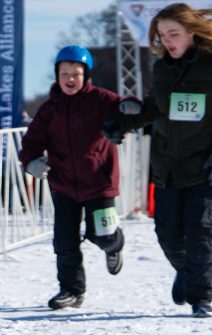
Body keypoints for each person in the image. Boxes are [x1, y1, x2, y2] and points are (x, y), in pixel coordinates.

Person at [112, 4, 212, 317]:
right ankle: (188, 273)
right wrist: (120, 124)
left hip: (207, 165)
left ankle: (201, 297)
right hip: (167, 165)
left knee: (199, 229)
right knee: (167, 233)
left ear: (192, 32)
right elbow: (155, 109)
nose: (167, 41)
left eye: (173, 34)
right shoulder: (163, 67)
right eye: (162, 35)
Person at [20, 46, 135, 309]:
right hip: (63, 185)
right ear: (57, 76)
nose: (70, 78)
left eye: (76, 73)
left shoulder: (102, 99)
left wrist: (132, 106)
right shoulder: (50, 109)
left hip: (100, 183)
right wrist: (31, 162)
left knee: (103, 234)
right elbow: (31, 143)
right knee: (64, 241)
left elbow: (127, 105)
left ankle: (113, 245)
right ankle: (71, 290)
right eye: (64, 73)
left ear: (87, 75)